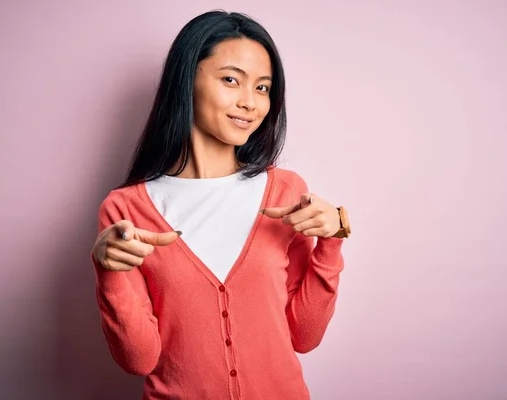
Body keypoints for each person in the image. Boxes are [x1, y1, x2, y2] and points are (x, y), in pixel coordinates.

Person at [91, 9, 351, 400]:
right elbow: (139, 359)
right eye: (231, 80)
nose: (250, 103)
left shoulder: (285, 191)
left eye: (263, 88)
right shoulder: (126, 209)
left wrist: (332, 240)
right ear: (187, 80)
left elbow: (304, 335)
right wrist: (108, 271)